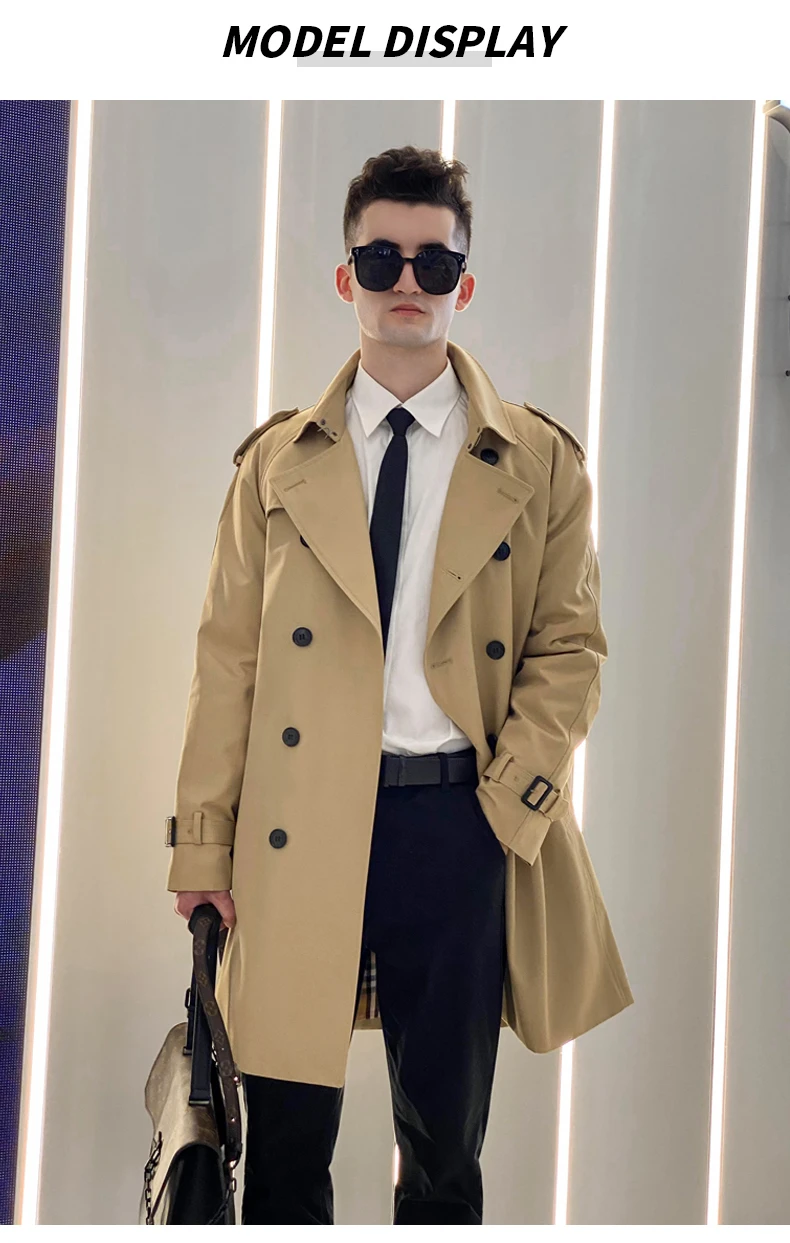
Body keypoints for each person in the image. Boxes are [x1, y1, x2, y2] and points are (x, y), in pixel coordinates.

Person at [166, 145, 633, 1225]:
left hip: (458, 824)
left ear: (465, 281)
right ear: (347, 278)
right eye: (381, 259)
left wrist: (510, 803)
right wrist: (201, 845)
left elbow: (570, 647)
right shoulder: (275, 464)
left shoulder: (539, 462)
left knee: (443, 1152)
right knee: (283, 1147)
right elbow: (227, 662)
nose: (407, 282)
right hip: (295, 824)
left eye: (434, 262)